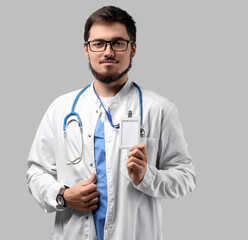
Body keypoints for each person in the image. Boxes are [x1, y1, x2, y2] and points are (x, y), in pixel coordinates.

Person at [26, 5, 196, 240]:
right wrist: (63, 195)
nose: (108, 51)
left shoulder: (159, 110)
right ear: (86, 50)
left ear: (133, 48)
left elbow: (186, 177)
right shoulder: (61, 109)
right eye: (98, 43)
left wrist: (146, 177)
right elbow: (37, 172)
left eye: (118, 43)